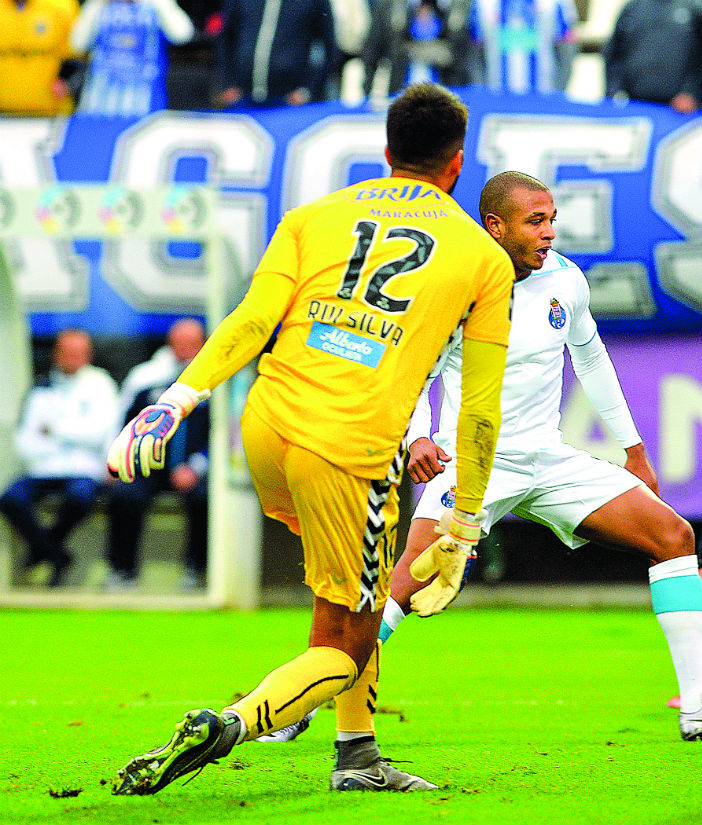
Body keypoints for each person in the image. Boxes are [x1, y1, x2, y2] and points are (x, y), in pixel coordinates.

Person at [263, 171, 702, 745]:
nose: (550, 232)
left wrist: (634, 448)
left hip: (548, 458)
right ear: (496, 226)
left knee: (673, 536)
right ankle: (300, 703)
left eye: (552, 219)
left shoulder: (566, 280)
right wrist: (418, 437)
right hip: (471, 466)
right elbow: (413, 372)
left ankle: (700, 705)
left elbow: (591, 359)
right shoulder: (454, 287)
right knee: (404, 587)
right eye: (536, 221)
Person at [109, 82, 513, 796]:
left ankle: (357, 755)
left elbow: (249, 320)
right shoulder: (485, 258)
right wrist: (463, 523)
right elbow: (479, 409)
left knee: (351, 586)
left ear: (387, 153)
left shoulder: (311, 216)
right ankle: (227, 724)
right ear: (457, 164)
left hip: (266, 423)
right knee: (349, 640)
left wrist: (175, 400)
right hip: (349, 444)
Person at [0, 329, 118, 587]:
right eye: (69, 352)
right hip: (42, 468)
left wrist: (55, 430)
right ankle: (56, 554)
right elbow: (25, 439)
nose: (74, 358)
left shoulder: (101, 384)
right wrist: (73, 433)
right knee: (11, 499)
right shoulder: (41, 387)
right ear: (57, 354)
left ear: (89, 355)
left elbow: (99, 432)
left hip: (84, 469)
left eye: (80, 353)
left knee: (79, 499)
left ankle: (42, 551)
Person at [104, 318, 208, 591]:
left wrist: (195, 467)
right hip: (150, 466)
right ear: (169, 343)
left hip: (193, 469)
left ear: (203, 345)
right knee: (124, 495)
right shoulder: (148, 379)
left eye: (192, 343)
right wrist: (119, 462)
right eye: (180, 342)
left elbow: (224, 435)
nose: (185, 349)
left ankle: (195, 570)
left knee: (206, 499)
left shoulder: (216, 381)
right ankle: (122, 571)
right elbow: (128, 426)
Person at [70, 0, 195, 117]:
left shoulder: (154, 5)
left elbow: (182, 35)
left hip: (144, 101)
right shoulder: (100, 6)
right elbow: (77, 44)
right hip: (100, 102)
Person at [216, 0, 338, 107]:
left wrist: (308, 91)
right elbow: (226, 38)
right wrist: (228, 83)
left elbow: (329, 46)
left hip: (289, 100)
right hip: (241, 96)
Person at [604, 0, 702, 114]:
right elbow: (613, 53)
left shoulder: (697, 7)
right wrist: (615, 91)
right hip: (635, 104)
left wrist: (693, 93)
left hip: (680, 108)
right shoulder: (633, 8)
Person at [471, 0, 578, 96]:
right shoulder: (482, 3)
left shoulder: (558, 3)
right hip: (496, 98)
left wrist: (557, 94)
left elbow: (567, 51)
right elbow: (474, 53)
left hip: (543, 96)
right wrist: (482, 94)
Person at [0, 0, 82, 116]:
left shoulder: (62, 6)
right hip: (4, 111)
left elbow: (79, 51)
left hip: (51, 112)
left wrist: (66, 79)